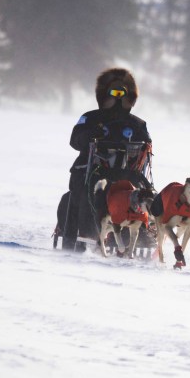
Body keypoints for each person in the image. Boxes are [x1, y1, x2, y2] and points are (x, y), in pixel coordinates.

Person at [60, 68, 153, 250]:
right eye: (114, 93)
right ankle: (74, 239)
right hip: (90, 169)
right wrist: (90, 135)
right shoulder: (90, 117)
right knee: (77, 195)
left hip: (127, 173)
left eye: (122, 94)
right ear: (105, 94)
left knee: (145, 193)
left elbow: (147, 145)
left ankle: (143, 233)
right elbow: (75, 140)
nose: (118, 98)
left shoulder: (137, 124)